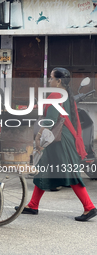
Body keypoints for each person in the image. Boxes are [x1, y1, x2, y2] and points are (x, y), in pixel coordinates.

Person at [16, 67, 96, 221]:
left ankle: (89, 207)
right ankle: (33, 205)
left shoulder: (56, 95)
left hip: (59, 140)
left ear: (59, 81)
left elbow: (50, 120)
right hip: (61, 138)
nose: (49, 80)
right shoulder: (66, 95)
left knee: (70, 172)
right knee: (45, 169)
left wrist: (39, 136)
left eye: (51, 78)